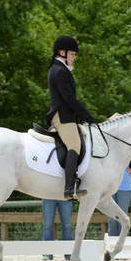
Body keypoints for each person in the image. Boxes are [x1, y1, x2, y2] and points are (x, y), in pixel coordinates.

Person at [47, 35, 96, 200]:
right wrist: (87, 116)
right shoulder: (59, 71)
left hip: (67, 115)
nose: (75, 57)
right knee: (74, 144)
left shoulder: (60, 69)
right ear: (62, 52)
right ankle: (69, 188)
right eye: (73, 54)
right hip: (62, 116)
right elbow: (69, 99)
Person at [108, 150, 131, 236]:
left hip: (124, 187)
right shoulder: (109, 145)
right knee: (111, 217)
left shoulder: (129, 145)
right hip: (109, 186)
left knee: (122, 216)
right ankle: (112, 241)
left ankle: (122, 241)